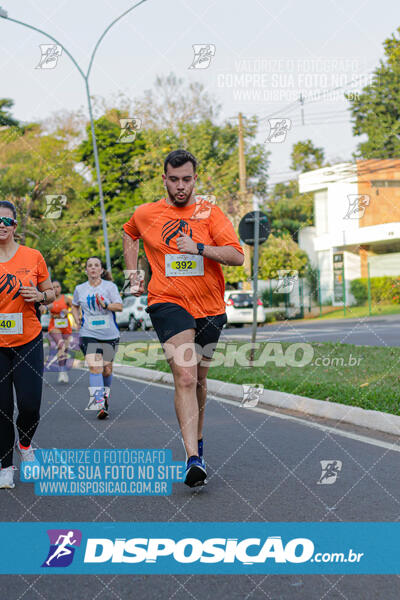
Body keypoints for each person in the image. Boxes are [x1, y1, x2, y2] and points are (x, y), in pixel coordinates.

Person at [123, 149, 244, 487]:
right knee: (186, 378)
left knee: (200, 381)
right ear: (164, 179)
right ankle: (192, 457)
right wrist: (135, 273)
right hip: (167, 301)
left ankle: (199, 440)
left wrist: (200, 249)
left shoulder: (210, 213)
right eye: (173, 180)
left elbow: (236, 256)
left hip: (209, 307)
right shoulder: (146, 213)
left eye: (186, 180)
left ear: (195, 179)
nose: (180, 186)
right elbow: (129, 232)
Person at [0, 200, 55, 489]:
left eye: (7, 221)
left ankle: (25, 444)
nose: (1, 225)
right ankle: (5, 465)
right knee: (2, 408)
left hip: (28, 340)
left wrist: (40, 295)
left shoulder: (32, 257)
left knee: (30, 405)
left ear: (15, 226)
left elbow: (51, 293)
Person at [71, 257, 123, 419]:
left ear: (101, 270)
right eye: (90, 266)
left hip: (109, 334)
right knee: (95, 367)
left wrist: (106, 305)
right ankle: (100, 403)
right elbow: (74, 305)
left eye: (96, 265)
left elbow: (119, 306)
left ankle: (104, 398)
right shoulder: (80, 289)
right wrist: (76, 317)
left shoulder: (110, 287)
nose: (93, 268)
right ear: (86, 270)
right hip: (88, 333)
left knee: (107, 370)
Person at [46, 280, 73, 383]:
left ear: (60, 288)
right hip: (54, 326)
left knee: (65, 349)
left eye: (57, 286)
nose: (56, 289)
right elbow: (45, 308)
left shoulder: (66, 299)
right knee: (61, 345)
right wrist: (45, 308)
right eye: (53, 287)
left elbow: (75, 308)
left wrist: (68, 311)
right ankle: (62, 372)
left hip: (66, 327)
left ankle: (63, 370)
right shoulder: (50, 300)